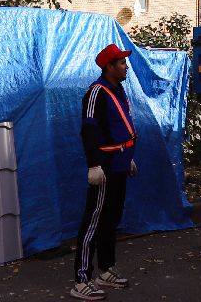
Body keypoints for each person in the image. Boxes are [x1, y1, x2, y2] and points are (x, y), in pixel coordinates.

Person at [71, 44, 138, 300]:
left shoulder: (118, 90)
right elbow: (89, 131)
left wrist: (128, 158)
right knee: (93, 222)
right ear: (109, 67)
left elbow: (120, 126)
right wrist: (94, 164)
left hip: (121, 163)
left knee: (111, 219)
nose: (126, 66)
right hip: (106, 167)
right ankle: (81, 280)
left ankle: (106, 270)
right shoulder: (96, 93)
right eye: (121, 62)